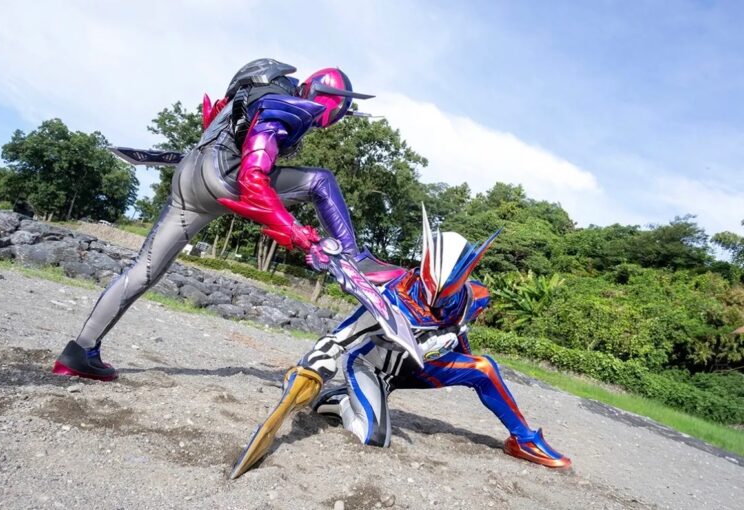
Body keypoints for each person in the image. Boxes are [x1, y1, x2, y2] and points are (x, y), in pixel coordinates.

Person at [52, 58, 404, 382]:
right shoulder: (285, 106)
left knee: (143, 270)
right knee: (320, 182)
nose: (326, 122)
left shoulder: (248, 92)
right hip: (224, 178)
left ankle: (79, 351)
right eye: (333, 113)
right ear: (324, 98)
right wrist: (294, 231)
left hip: (189, 176)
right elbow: (253, 177)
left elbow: (224, 129)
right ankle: (357, 258)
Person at [231, 208, 570, 478]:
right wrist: (310, 370)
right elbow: (338, 340)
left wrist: (462, 357)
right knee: (373, 437)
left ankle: (524, 439)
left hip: (419, 367)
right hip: (372, 367)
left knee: (484, 368)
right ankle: (338, 400)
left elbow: (460, 331)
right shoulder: (390, 299)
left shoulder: (473, 297)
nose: (433, 303)